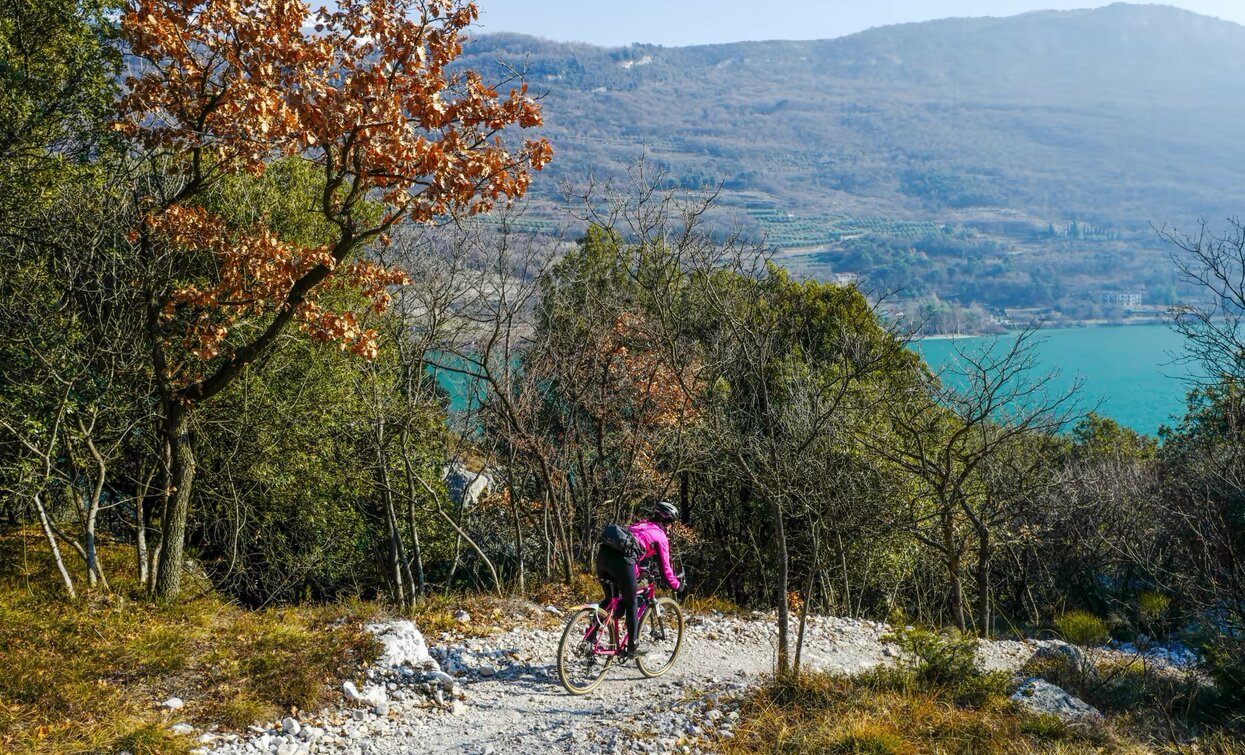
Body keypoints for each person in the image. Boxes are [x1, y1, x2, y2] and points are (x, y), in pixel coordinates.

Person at [595, 500, 683, 659]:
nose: (671, 528)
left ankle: (589, 640)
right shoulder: (661, 536)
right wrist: (678, 586)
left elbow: (629, 550)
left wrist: (638, 570)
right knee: (632, 602)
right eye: (672, 524)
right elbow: (666, 570)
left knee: (610, 599)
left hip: (602, 557)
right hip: (622, 561)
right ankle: (633, 647)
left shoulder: (639, 525)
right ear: (667, 522)